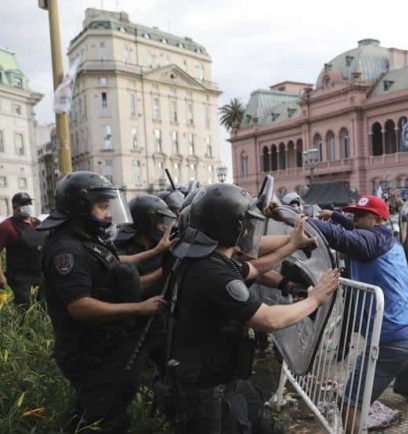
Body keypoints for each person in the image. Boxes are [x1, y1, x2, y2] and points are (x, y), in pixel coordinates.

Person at [165, 183, 338, 433]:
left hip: (224, 380)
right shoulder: (211, 273)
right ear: (231, 227)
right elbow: (268, 319)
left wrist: (292, 245)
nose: (251, 231)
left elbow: (254, 269)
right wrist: (314, 300)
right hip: (205, 393)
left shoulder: (207, 258)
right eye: (247, 223)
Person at [38, 171, 167, 433]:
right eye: (101, 206)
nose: (108, 213)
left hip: (99, 345)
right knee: (106, 419)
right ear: (79, 207)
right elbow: (80, 306)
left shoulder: (86, 241)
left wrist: (157, 253)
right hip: (85, 351)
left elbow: (112, 261)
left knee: (95, 411)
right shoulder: (67, 251)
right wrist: (139, 307)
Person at [313, 195, 408, 434]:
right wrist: (335, 216)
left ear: (378, 220)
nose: (354, 220)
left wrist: (305, 222)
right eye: (352, 215)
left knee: (349, 403)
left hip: (391, 340)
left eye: (360, 216)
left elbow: (344, 237)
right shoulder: (386, 239)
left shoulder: (373, 240)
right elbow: (353, 232)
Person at [0, 192, 47, 307]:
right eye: (24, 204)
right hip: (20, 278)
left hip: (41, 275)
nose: (28, 206)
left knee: (44, 308)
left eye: (29, 203)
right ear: (15, 208)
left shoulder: (37, 222)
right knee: (25, 311)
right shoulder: (7, 226)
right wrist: (0, 276)